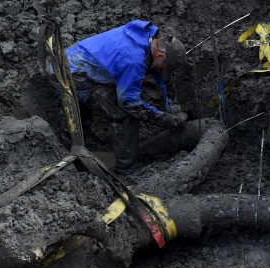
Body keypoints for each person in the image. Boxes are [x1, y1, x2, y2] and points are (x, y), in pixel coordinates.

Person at [63, 20, 188, 174]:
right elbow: (129, 103)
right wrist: (163, 119)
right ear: (161, 54)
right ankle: (124, 169)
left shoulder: (150, 37)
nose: (161, 70)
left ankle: (69, 144)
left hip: (76, 59)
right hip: (73, 74)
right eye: (163, 65)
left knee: (104, 100)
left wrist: (174, 108)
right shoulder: (133, 60)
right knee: (124, 114)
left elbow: (163, 76)